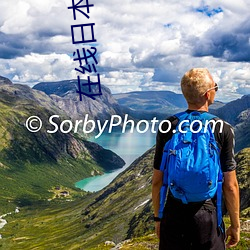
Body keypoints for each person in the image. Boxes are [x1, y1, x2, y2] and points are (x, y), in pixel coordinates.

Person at [152, 68, 240, 250]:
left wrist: (158, 218)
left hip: (174, 212)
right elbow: (230, 185)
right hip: (207, 215)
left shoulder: (168, 125)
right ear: (208, 94)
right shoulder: (222, 129)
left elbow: (157, 181)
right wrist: (235, 225)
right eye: (216, 87)